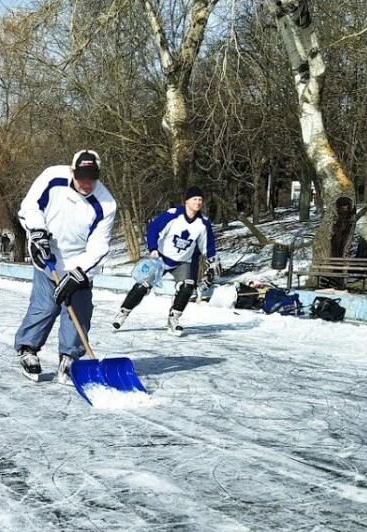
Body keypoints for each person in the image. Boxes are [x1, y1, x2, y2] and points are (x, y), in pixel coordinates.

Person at [13, 150, 117, 383]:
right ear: (72, 171)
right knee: (45, 307)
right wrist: (38, 234)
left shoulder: (106, 203)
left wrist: (78, 272)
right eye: (82, 177)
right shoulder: (52, 177)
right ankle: (28, 349)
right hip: (47, 252)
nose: (87, 183)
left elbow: (99, 245)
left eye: (92, 177)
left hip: (79, 263)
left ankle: (70, 359)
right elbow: (30, 206)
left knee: (78, 314)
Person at [111, 186, 218, 337]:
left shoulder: (203, 223)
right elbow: (153, 228)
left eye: (200, 199)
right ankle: (123, 313)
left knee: (187, 287)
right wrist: (153, 248)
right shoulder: (173, 216)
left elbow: (208, 245)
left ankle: (173, 319)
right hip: (160, 258)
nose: (198, 202)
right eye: (194, 199)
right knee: (142, 286)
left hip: (182, 261)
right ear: (186, 201)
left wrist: (212, 263)